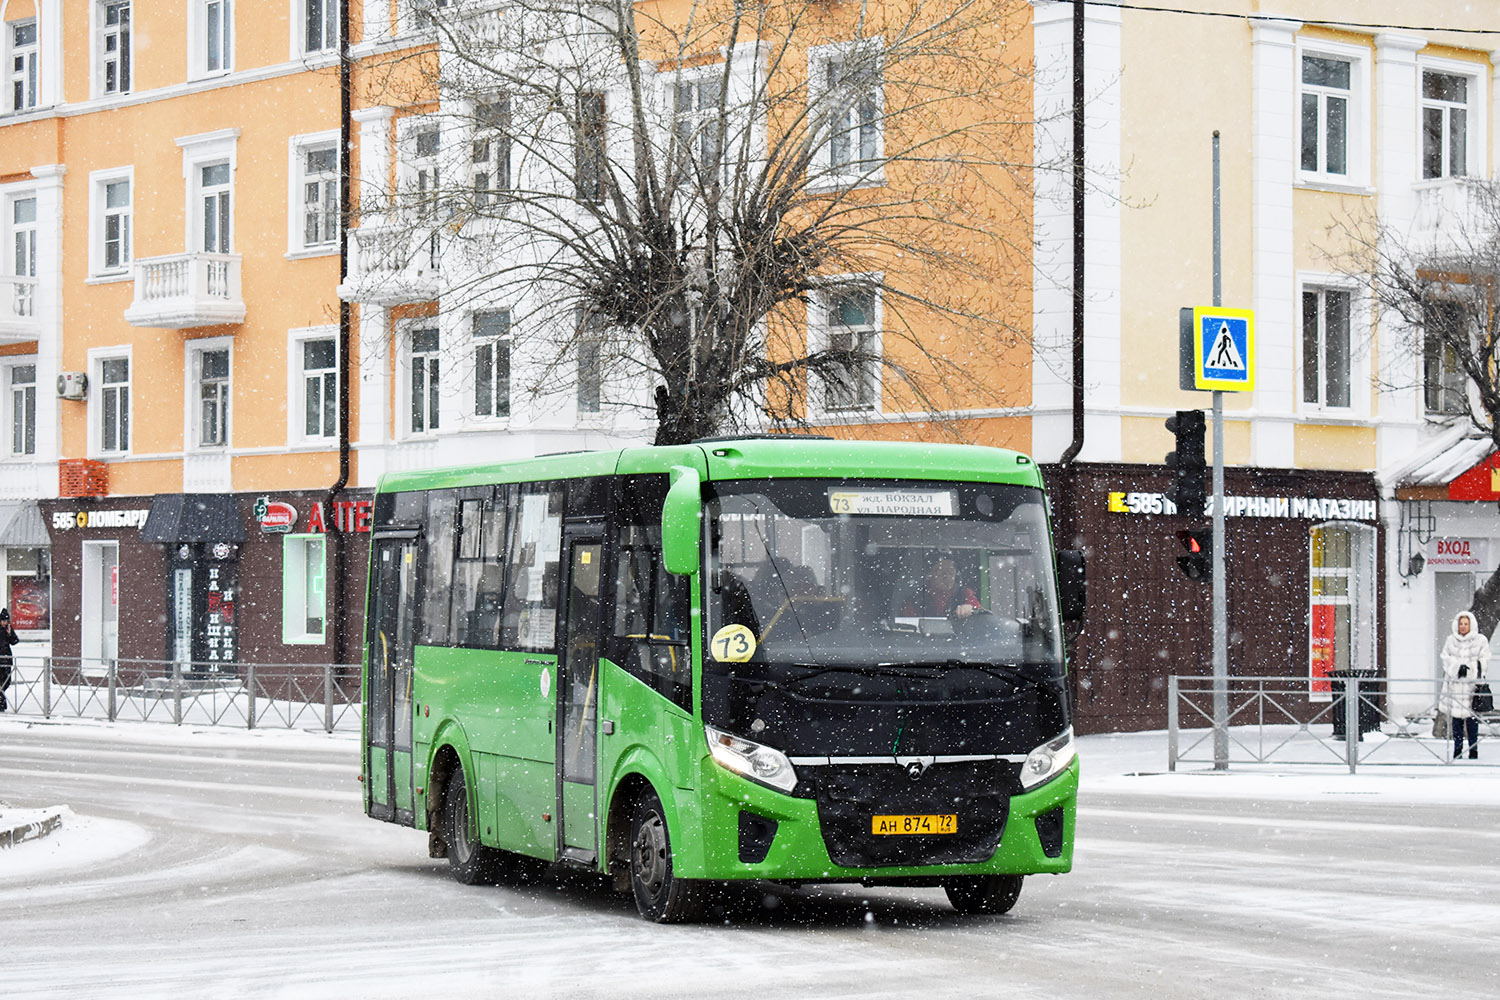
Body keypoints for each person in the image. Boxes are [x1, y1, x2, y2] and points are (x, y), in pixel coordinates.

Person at [1440, 610, 1490, 760]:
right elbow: (1445, 657)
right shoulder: (1451, 640)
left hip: (1472, 688)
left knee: (1472, 720)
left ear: (1471, 625)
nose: (1463, 626)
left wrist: (1469, 670)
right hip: (1455, 686)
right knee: (1456, 721)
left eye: (1466, 624)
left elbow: (1485, 659)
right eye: (1461, 623)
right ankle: (1457, 749)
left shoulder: (1480, 640)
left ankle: (1473, 750)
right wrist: (1456, 668)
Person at [901, 555, 982, 619]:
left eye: (950, 571)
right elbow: (909, 630)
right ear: (929, 574)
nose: (946, 576)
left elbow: (980, 615)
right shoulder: (915, 600)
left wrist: (971, 608)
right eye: (940, 571)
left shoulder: (965, 594)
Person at [0, 607, 18, 713]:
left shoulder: (8, 629)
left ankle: (2, 703)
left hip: (6, 659)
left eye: (7, 621)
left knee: (6, 682)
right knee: (1, 682)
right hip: (1, 658)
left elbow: (15, 641)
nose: (5, 623)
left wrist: (10, 633)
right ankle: (1, 704)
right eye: (3, 621)